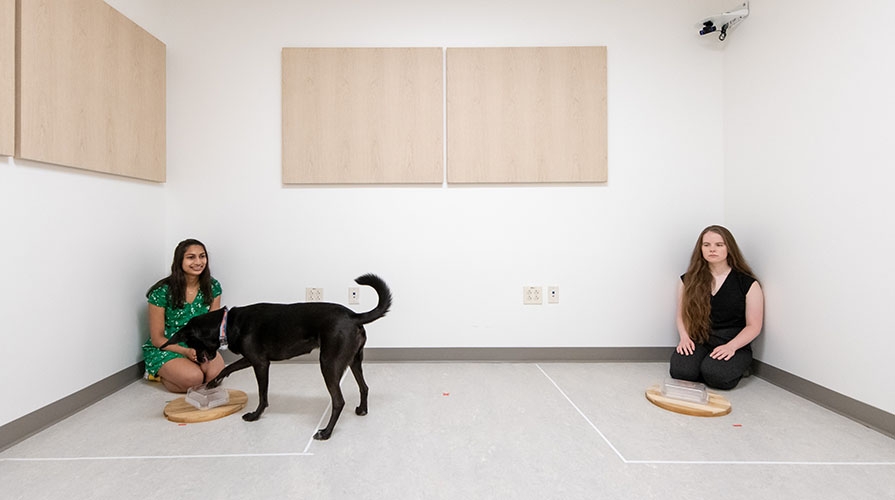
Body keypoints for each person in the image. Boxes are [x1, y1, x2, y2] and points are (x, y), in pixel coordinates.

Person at [669, 225, 764, 390]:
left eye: (719, 245)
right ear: (701, 249)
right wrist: (684, 337)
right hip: (699, 339)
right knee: (681, 372)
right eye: (706, 245)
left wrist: (732, 346)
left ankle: (731, 367)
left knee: (716, 376)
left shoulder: (748, 283)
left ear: (729, 248)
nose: (712, 249)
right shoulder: (687, 280)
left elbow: (754, 326)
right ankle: (703, 364)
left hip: (733, 343)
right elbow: (681, 315)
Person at [143, 238, 225, 393]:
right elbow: (157, 338)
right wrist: (186, 352)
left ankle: (187, 370)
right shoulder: (161, 292)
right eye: (191, 257)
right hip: (168, 345)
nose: (198, 262)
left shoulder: (213, 287)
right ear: (179, 260)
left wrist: (203, 348)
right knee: (193, 380)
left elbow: (213, 327)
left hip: (199, 343)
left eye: (202, 256)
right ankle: (157, 374)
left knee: (215, 376)